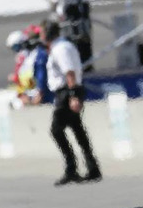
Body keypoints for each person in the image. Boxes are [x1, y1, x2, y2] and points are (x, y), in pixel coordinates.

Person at [41, 20, 101, 186]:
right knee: (77, 130)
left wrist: (73, 96)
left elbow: (69, 72)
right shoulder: (62, 46)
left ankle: (72, 168)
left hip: (67, 91)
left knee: (56, 130)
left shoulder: (60, 49)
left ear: (47, 34)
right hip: (68, 91)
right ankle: (92, 167)